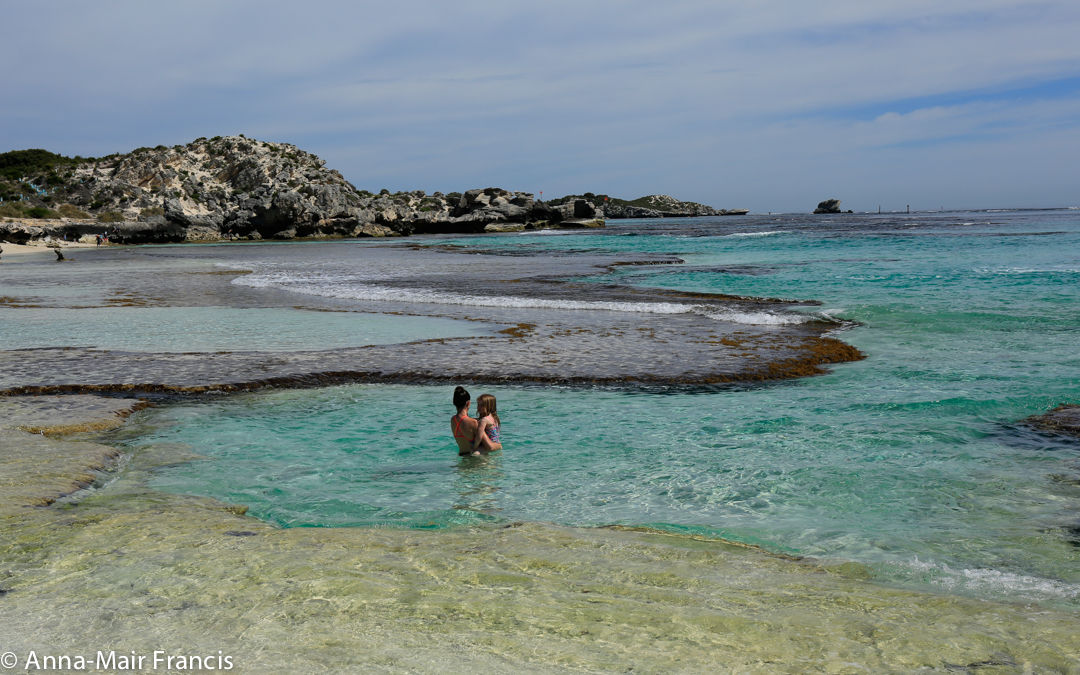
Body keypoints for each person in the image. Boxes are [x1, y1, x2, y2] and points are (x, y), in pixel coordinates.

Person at [450, 386, 479, 456]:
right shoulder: (473, 422)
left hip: (461, 456)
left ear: (454, 402)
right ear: (468, 403)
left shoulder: (453, 420)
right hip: (475, 458)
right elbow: (488, 446)